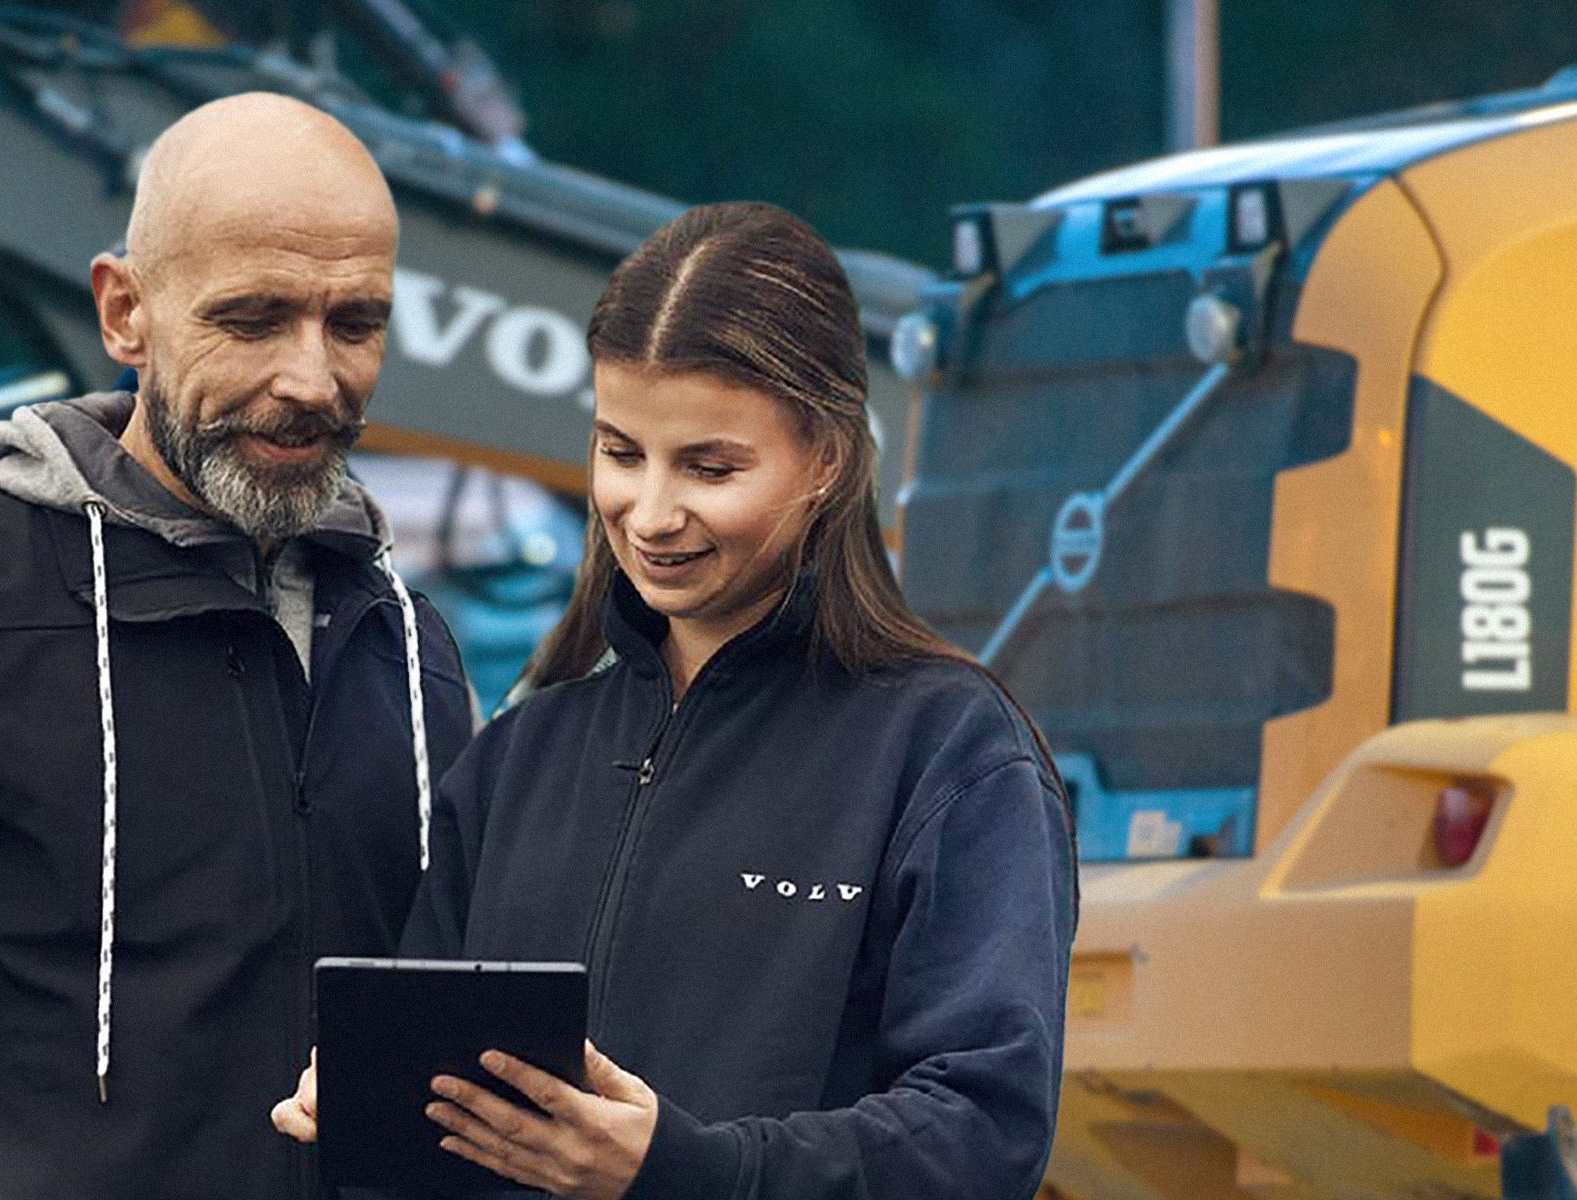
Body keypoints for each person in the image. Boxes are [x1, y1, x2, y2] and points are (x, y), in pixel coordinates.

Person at [0, 93, 475, 1200]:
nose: (311, 379)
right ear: (124, 313)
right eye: (254, 318)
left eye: (353, 323)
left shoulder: (408, 648)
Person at [274, 202, 1075, 1200]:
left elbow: (980, 1135)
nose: (649, 514)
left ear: (825, 459)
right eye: (620, 452)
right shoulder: (520, 756)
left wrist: (682, 1171)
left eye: (708, 466)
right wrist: (373, 1099)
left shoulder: (947, 755)